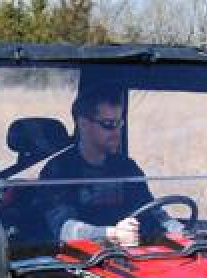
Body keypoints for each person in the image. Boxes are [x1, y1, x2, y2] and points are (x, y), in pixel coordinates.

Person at [40, 85, 184, 247]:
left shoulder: (126, 167)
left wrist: (181, 233)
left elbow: (151, 212)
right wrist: (111, 234)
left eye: (119, 124)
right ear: (84, 124)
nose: (116, 132)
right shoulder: (59, 170)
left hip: (129, 258)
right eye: (108, 124)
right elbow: (63, 229)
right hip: (79, 263)